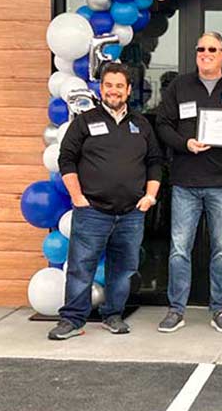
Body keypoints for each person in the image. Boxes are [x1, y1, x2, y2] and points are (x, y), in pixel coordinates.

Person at [48, 63, 163, 340]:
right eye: (109, 85)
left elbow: (155, 162)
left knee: (122, 271)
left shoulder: (141, 124)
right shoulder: (84, 122)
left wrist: (150, 196)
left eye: (119, 86)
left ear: (129, 90)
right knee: (80, 268)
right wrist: (77, 196)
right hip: (92, 212)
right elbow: (66, 160)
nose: (114, 91)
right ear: (101, 89)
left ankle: (113, 315)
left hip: (131, 213)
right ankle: (72, 320)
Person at [155, 32, 222, 333]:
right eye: (200, 48)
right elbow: (162, 124)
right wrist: (184, 143)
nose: (205, 53)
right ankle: (176, 309)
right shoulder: (179, 86)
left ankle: (220, 309)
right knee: (179, 250)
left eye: (212, 49)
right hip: (185, 182)